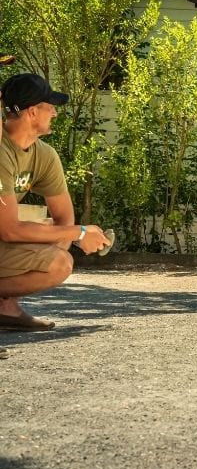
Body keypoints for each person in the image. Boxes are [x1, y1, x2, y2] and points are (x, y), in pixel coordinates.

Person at [0, 73, 110, 333]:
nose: (55, 113)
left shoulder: (45, 156)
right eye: (50, 106)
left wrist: (70, 232)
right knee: (59, 250)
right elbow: (9, 230)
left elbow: (63, 219)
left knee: (58, 255)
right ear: (32, 112)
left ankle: (5, 307)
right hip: (4, 232)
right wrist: (81, 233)